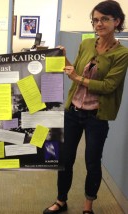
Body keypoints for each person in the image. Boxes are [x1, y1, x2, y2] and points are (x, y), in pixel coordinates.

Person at [43, 1, 128, 214]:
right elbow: (76, 72)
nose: (98, 24)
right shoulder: (87, 44)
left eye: (104, 19)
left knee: (92, 162)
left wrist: (78, 77)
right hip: (73, 112)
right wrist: (64, 59)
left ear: (117, 21)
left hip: (96, 116)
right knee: (66, 159)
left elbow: (109, 86)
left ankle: (88, 205)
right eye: (95, 20)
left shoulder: (121, 54)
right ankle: (61, 200)